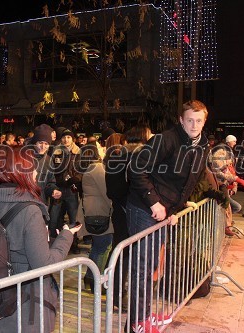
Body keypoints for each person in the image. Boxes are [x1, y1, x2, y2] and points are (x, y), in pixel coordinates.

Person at [126, 100, 210, 333]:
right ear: (181, 120)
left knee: (152, 265)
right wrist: (154, 202)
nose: (194, 125)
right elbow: (136, 169)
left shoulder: (203, 145)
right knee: (142, 268)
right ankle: (136, 324)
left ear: (204, 121)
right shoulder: (166, 139)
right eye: (190, 120)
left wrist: (175, 208)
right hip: (144, 207)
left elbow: (190, 179)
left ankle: (143, 316)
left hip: (164, 210)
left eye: (199, 120)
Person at [0, 146, 81, 333]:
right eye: (32, 168)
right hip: (28, 306)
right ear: (20, 172)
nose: (36, 173)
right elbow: (43, 263)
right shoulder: (30, 211)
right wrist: (66, 237)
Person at [105, 125, 152, 309]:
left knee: (131, 254)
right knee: (121, 252)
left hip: (135, 212)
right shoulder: (121, 157)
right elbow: (114, 190)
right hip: (125, 212)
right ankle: (116, 295)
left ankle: (124, 293)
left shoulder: (141, 158)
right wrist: (132, 201)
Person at [76, 144, 113, 293]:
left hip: (93, 210)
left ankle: (90, 278)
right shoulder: (97, 167)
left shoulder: (90, 168)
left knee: (98, 246)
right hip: (100, 211)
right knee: (103, 246)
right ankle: (96, 281)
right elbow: (107, 191)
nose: (103, 149)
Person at [30, 124, 61, 205]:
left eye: (46, 143)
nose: (43, 146)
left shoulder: (48, 160)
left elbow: (50, 182)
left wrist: (53, 190)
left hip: (41, 203)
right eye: (40, 143)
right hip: (25, 204)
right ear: (34, 142)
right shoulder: (23, 158)